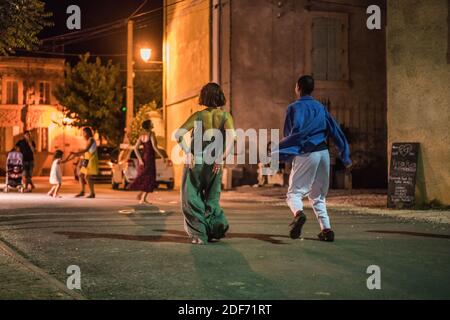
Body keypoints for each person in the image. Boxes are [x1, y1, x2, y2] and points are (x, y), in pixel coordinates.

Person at [274, 75, 352, 242]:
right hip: (323, 153)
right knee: (318, 196)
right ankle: (326, 229)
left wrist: (283, 153)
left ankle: (299, 214)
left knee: (294, 194)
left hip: (306, 153)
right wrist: (345, 156)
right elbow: (335, 130)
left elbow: (289, 134)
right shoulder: (320, 107)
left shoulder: (293, 108)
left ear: (298, 88)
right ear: (312, 89)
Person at [175, 83, 237, 245]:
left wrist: (188, 152)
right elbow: (232, 138)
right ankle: (216, 228)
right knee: (212, 199)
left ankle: (199, 235)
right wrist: (221, 157)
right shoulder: (225, 117)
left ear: (203, 96)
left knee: (191, 197)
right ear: (220, 96)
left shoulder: (197, 116)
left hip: (196, 163)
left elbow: (178, 135)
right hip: (215, 165)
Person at [128, 120, 165, 205]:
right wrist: (162, 156)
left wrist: (140, 159)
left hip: (144, 157)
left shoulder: (142, 135)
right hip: (150, 158)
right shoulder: (151, 134)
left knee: (145, 177)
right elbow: (154, 147)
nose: (153, 124)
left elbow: (135, 148)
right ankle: (142, 198)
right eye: (151, 123)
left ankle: (141, 196)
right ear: (149, 125)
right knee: (150, 178)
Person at [70, 127, 99, 199]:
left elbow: (86, 149)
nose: (83, 135)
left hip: (90, 159)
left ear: (87, 133)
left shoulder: (91, 140)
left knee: (87, 176)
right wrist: (77, 154)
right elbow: (86, 152)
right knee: (80, 174)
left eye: (84, 133)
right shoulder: (88, 140)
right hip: (87, 158)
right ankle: (82, 191)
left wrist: (76, 153)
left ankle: (92, 193)